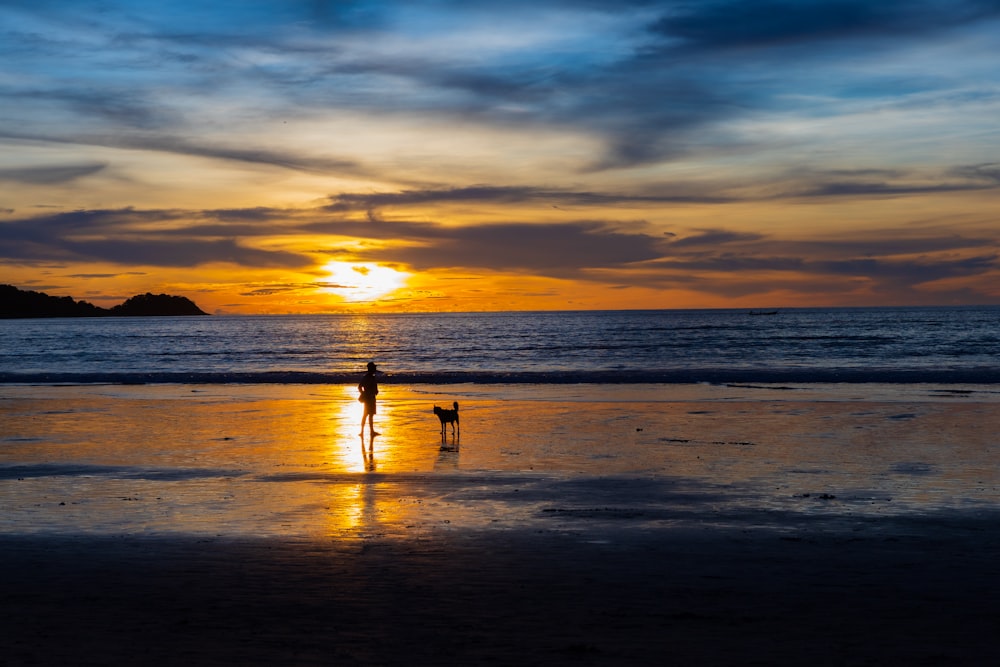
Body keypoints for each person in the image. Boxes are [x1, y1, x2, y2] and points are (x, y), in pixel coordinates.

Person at [358, 361, 380, 436]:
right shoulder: (367, 377)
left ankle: (369, 431)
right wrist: (363, 393)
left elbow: (361, 386)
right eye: (374, 367)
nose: (375, 369)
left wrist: (375, 391)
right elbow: (360, 387)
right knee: (367, 414)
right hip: (369, 399)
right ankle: (364, 431)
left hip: (371, 398)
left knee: (369, 415)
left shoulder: (370, 377)